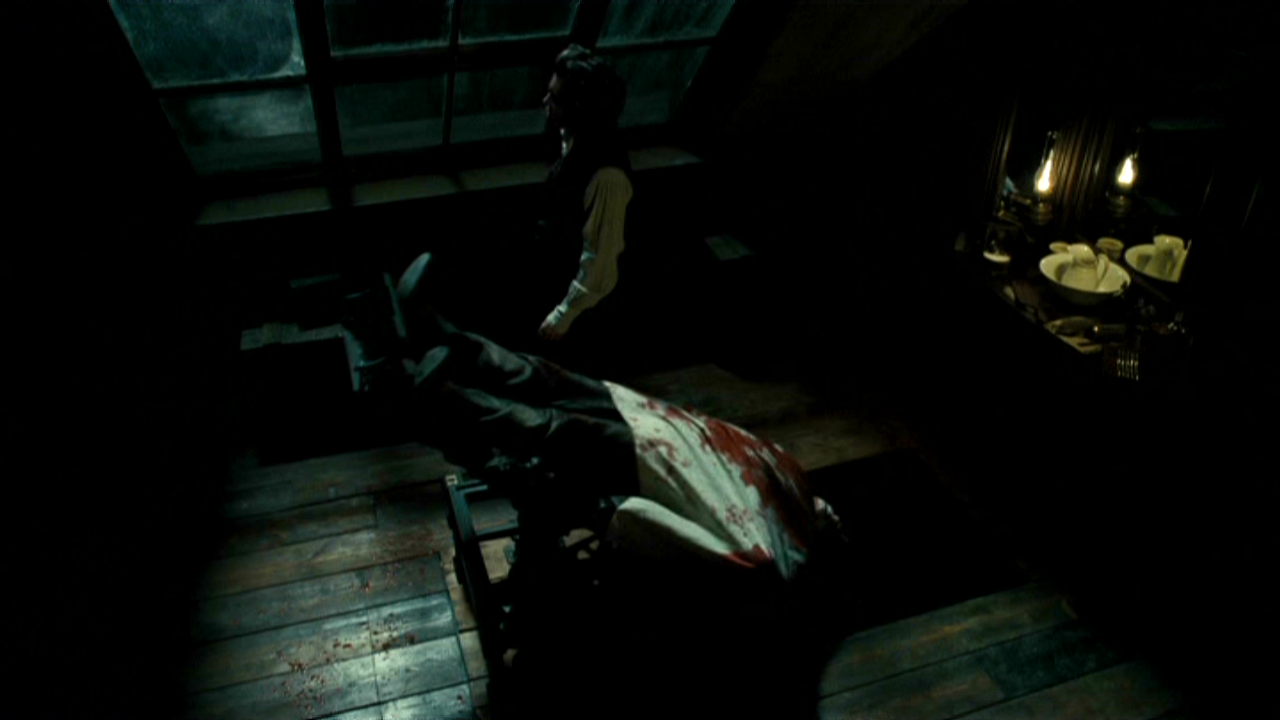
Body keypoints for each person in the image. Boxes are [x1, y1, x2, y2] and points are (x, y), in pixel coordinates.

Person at [369, 288, 848, 718]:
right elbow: (655, 521)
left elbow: (664, 523)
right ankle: (445, 351)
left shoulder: (778, 545)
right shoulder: (790, 532)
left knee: (557, 408)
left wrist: (614, 513)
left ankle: (446, 381)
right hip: (671, 450)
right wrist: (618, 515)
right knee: (558, 404)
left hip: (666, 454)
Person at [391, 44, 633, 374]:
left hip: (562, 287)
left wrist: (561, 318)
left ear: (579, 108)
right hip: (546, 257)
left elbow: (600, 266)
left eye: (555, 98)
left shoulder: (607, 176)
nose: (545, 101)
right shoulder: (576, 138)